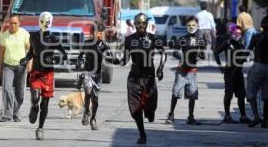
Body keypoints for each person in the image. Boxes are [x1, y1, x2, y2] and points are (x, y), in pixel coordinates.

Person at [112, 13, 167, 144]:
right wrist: (114, 60)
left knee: (150, 106)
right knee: (135, 108)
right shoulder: (129, 39)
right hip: (134, 78)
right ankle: (142, 134)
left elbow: (163, 52)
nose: (141, 26)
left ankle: (150, 111)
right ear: (135, 25)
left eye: (144, 23)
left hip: (149, 78)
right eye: (139, 23)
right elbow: (125, 60)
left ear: (147, 24)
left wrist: (160, 68)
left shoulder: (154, 38)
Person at [20, 11, 67, 140]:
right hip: (36, 72)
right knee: (35, 99)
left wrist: (54, 60)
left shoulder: (54, 39)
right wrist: (25, 59)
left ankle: (40, 128)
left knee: (45, 105)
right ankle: (33, 107)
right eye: (42, 21)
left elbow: (64, 55)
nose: (45, 24)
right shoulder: (33, 36)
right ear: (39, 21)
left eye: (47, 22)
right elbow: (31, 53)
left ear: (51, 22)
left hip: (48, 74)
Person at [165, 16, 206, 125]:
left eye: (193, 25)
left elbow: (202, 56)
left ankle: (191, 117)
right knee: (176, 92)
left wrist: (200, 54)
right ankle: (171, 115)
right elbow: (175, 52)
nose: (191, 27)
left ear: (198, 26)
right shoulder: (183, 39)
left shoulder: (200, 40)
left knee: (192, 94)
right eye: (189, 25)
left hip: (192, 71)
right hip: (182, 71)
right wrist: (182, 58)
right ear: (186, 26)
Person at [76, 23, 112, 130]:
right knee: (87, 91)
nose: (99, 35)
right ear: (92, 33)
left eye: (101, 33)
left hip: (98, 75)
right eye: (97, 32)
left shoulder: (104, 45)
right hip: (87, 73)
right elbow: (80, 56)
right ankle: (87, 110)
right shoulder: (87, 43)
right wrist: (78, 63)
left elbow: (111, 58)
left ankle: (93, 119)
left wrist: (108, 55)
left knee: (95, 99)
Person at [214, 24, 251, 124]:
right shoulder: (227, 43)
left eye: (239, 33)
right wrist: (220, 66)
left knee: (241, 95)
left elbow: (243, 59)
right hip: (229, 72)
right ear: (231, 33)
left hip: (238, 72)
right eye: (235, 33)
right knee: (228, 94)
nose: (237, 35)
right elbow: (216, 52)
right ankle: (227, 115)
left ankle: (243, 116)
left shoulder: (241, 45)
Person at [0, 15, 30, 122]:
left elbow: (30, 50)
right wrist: (0, 67)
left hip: (21, 66)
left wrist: (30, 63)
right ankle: (7, 114)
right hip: (8, 66)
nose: (13, 25)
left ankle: (16, 113)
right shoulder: (4, 35)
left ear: (19, 24)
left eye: (15, 23)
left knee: (20, 92)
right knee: (7, 88)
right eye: (11, 23)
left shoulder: (25, 34)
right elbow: (1, 53)